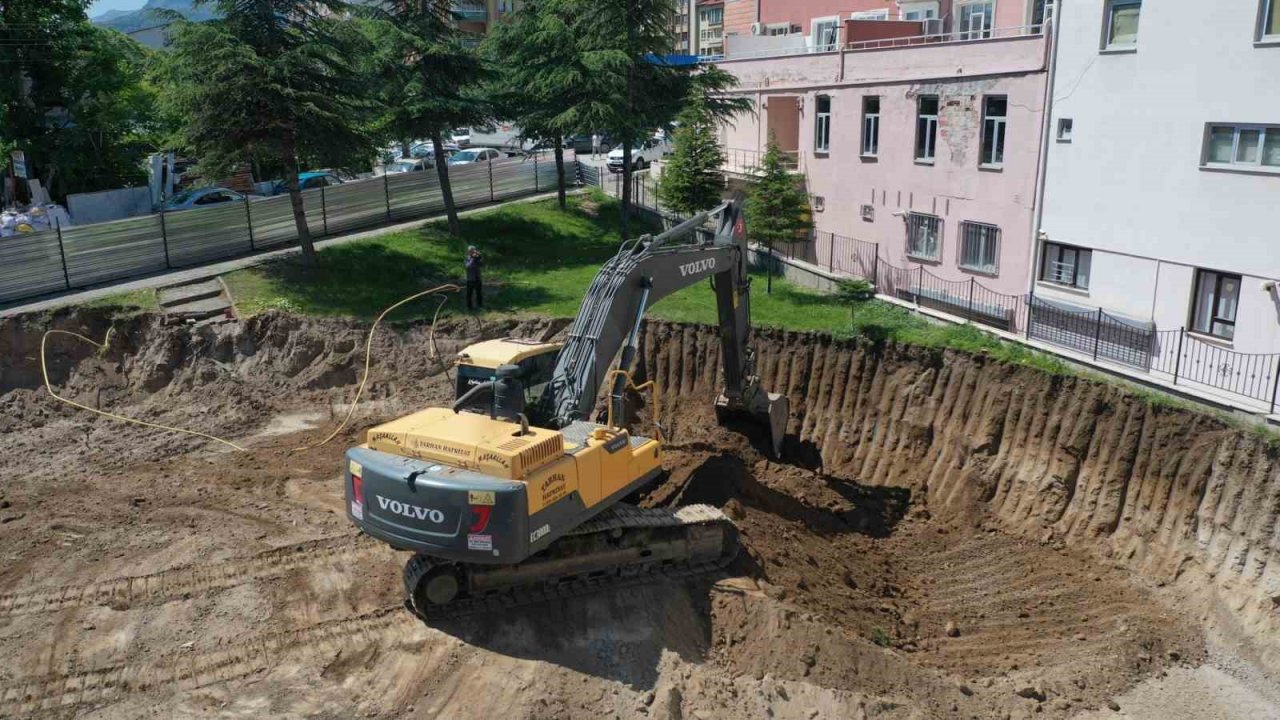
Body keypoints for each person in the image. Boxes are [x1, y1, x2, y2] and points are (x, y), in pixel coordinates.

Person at [465, 245, 484, 310]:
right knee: (469, 294)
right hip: (470, 279)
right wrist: (473, 259)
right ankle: (469, 307)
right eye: (471, 251)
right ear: (468, 252)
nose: (472, 252)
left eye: (473, 251)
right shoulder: (467, 258)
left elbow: (481, 265)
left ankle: (480, 306)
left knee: (479, 293)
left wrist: (479, 258)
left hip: (477, 278)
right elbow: (469, 266)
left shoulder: (477, 258)